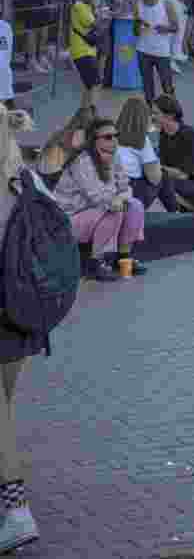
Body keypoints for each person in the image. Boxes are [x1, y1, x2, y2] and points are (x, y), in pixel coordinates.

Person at [0, 107, 42, 554]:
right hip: (23, 305)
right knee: (4, 407)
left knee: (1, 416)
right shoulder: (22, 177)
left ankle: (16, 507)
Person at [52, 118, 147, 282]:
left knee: (135, 206)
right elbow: (96, 196)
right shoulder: (81, 162)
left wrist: (120, 197)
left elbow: (126, 188)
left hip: (94, 214)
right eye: (108, 137)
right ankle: (96, 263)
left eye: (116, 136)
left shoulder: (114, 157)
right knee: (113, 211)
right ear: (94, 141)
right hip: (68, 221)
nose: (114, 141)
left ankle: (123, 258)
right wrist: (116, 197)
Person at [152, 95, 194, 214]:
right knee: (155, 179)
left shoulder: (188, 135)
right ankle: (180, 213)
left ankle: (193, 213)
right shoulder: (163, 135)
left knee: (159, 181)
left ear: (170, 115)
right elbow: (165, 168)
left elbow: (184, 174)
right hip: (184, 185)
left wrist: (155, 168)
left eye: (156, 113)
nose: (153, 117)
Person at [135, 0, 179, 105]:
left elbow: (176, 27)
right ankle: (151, 115)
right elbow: (135, 31)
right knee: (148, 88)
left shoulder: (166, 3)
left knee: (168, 87)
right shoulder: (138, 5)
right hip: (143, 50)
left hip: (162, 52)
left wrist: (165, 28)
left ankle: (174, 116)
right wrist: (139, 26)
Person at [116, 97, 163, 208]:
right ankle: (174, 212)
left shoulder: (112, 134)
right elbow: (154, 178)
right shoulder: (142, 139)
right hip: (133, 189)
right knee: (163, 177)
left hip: (113, 184)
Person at [69, 0, 102, 114]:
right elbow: (96, 25)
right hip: (82, 52)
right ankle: (92, 112)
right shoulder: (79, 6)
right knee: (95, 83)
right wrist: (100, 13)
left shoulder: (87, 7)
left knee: (88, 85)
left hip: (88, 51)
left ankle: (84, 112)